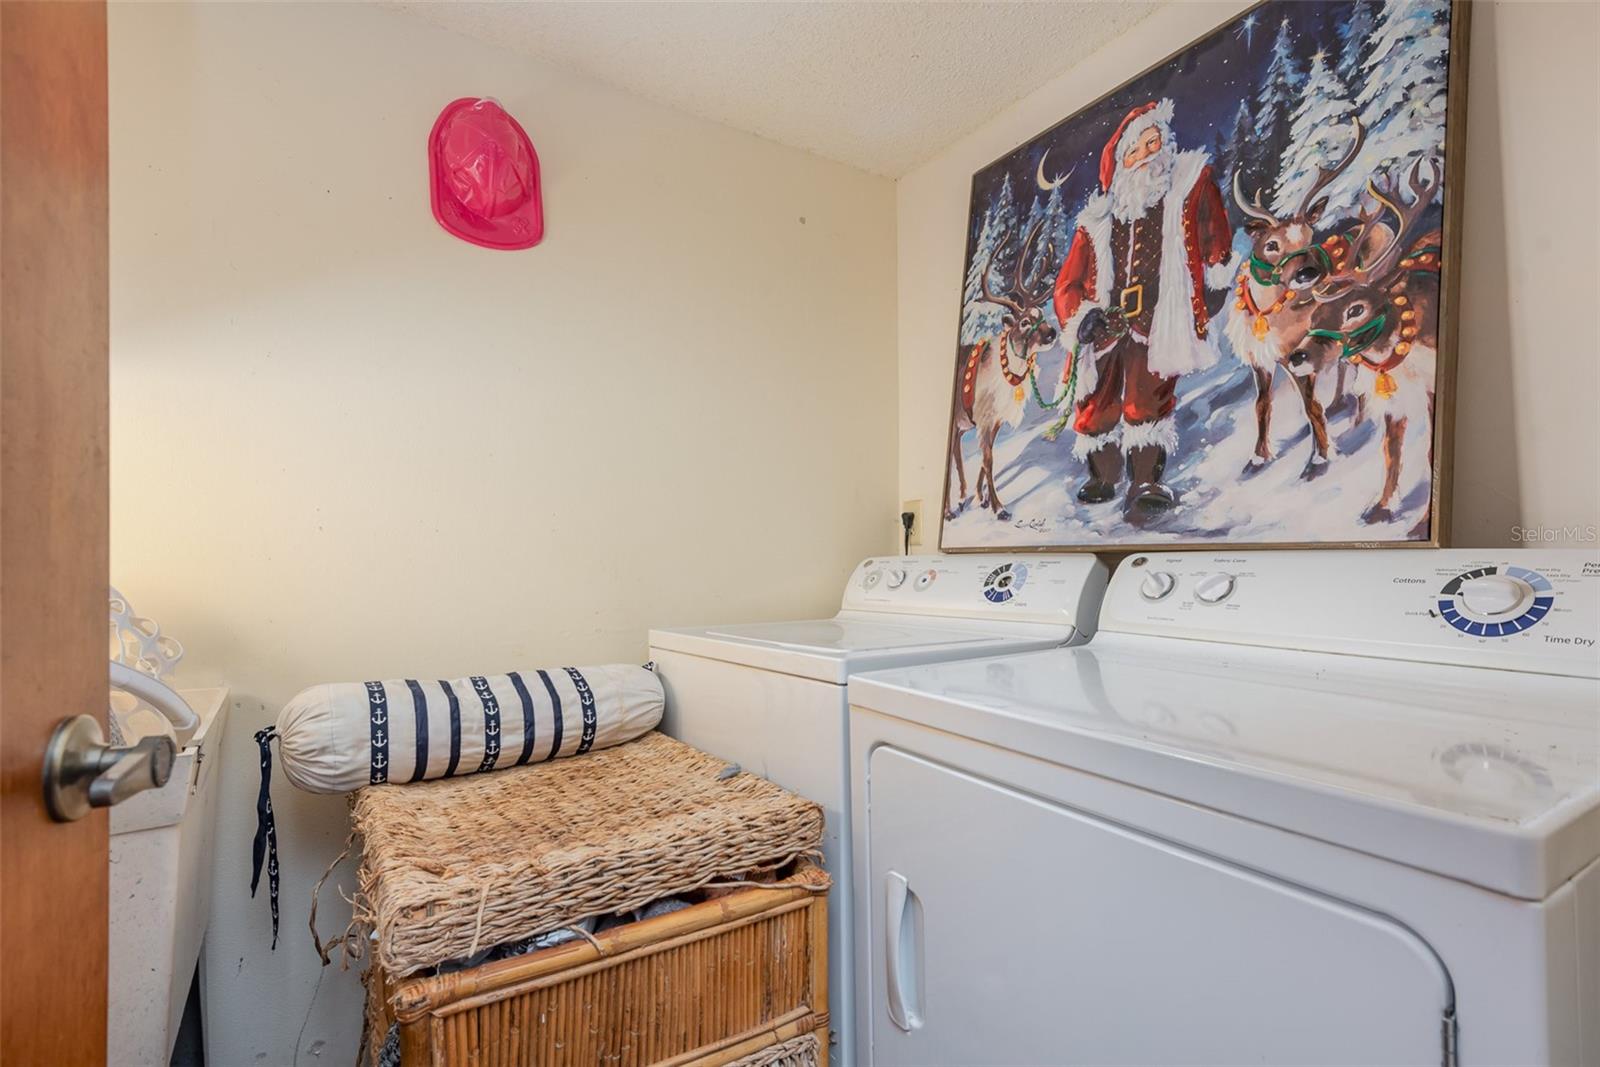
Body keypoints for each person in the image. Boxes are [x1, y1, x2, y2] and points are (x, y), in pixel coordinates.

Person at [1052, 99, 1234, 512]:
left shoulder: (1185, 193)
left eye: (1153, 144)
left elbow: (1213, 230)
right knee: (1095, 403)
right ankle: (1102, 476)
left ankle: (1145, 481)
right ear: (1120, 165)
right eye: (1135, 150)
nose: (1146, 155)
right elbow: (1068, 283)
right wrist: (1081, 317)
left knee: (1148, 398)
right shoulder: (1096, 222)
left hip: (1156, 320)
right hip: (1104, 326)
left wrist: (1215, 277)